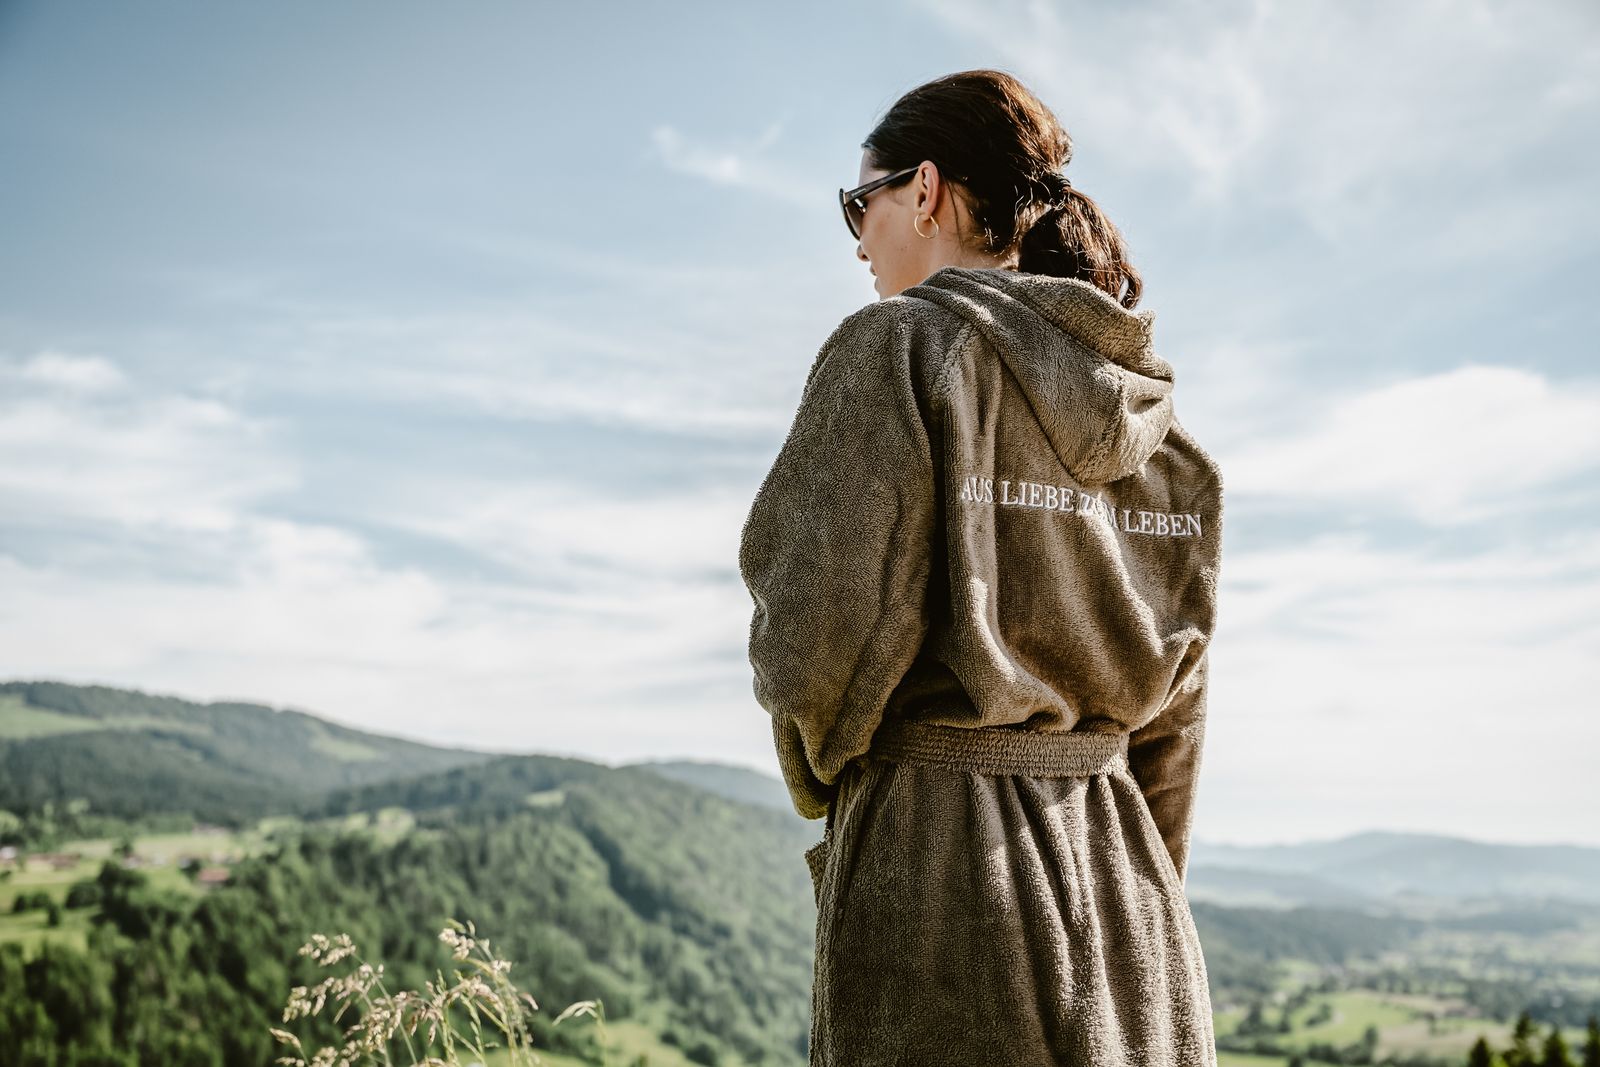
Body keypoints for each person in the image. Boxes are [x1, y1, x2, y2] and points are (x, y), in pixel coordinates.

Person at [738, 68, 1223, 1066]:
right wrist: (1131, 876)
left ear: (923, 190)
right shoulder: (1165, 441)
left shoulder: (898, 349)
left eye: (856, 204)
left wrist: (852, 785)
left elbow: (811, 645)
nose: (857, 239)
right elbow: (1173, 727)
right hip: (1133, 906)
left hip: (948, 885)